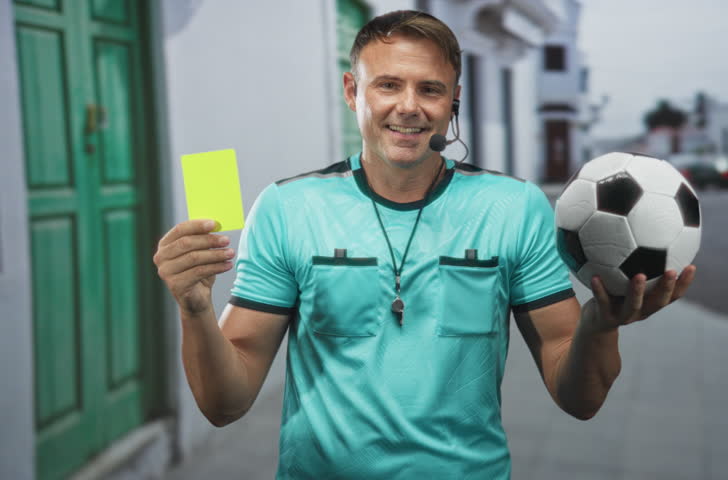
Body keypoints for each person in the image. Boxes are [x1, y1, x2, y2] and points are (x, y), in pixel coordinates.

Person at [153, 10, 696, 479]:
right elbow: (225, 404)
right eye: (388, 84)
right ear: (352, 92)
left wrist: (600, 327)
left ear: (453, 100)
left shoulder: (513, 207)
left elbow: (578, 398)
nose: (409, 107)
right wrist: (195, 309)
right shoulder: (288, 208)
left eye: (430, 89)